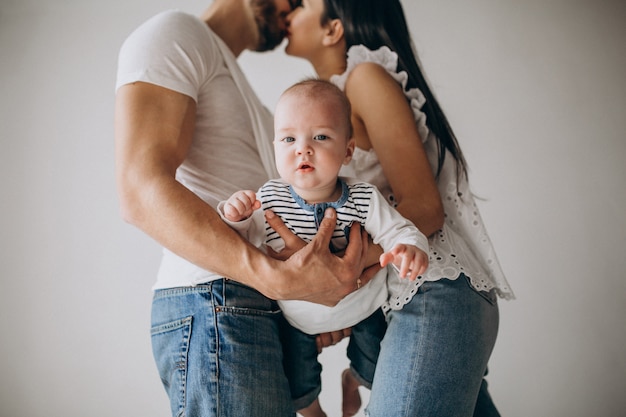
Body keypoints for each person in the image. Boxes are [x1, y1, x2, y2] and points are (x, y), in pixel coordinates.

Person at [114, 1, 374, 416]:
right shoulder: (174, 33)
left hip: (250, 307)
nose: (295, 6)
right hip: (214, 301)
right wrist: (279, 280)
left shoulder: (239, 83)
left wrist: (311, 292)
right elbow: (139, 189)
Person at [284, 0, 515, 416]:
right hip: (411, 299)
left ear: (333, 29)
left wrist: (342, 271)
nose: (288, 10)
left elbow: (425, 208)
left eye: (302, 4)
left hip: (434, 290)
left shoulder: (365, 79)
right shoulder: (333, 109)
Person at [219, 78, 429, 417]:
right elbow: (244, 240)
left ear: (348, 151)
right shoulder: (270, 198)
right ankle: (315, 412)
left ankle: (353, 380)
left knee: (378, 369)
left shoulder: (363, 197)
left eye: (320, 137)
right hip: (298, 318)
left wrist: (408, 248)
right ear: (275, 148)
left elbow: (398, 230)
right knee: (295, 382)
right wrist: (236, 214)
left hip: (364, 307)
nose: (303, 149)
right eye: (289, 139)